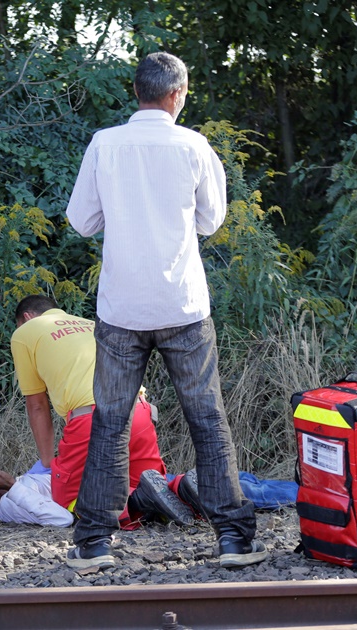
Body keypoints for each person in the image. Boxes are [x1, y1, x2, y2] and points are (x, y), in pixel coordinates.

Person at [64, 52, 268, 571]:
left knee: (109, 421)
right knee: (206, 417)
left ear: (137, 93)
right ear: (177, 94)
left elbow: (82, 222)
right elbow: (210, 222)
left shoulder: (104, 144)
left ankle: (94, 544)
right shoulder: (194, 146)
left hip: (121, 307)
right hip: (182, 304)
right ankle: (233, 540)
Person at [9, 294, 192, 529]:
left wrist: (46, 461)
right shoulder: (92, 324)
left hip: (89, 419)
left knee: (69, 501)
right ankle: (185, 489)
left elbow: (36, 404)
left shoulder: (25, 332)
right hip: (139, 412)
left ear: (27, 317)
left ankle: (139, 501)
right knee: (148, 484)